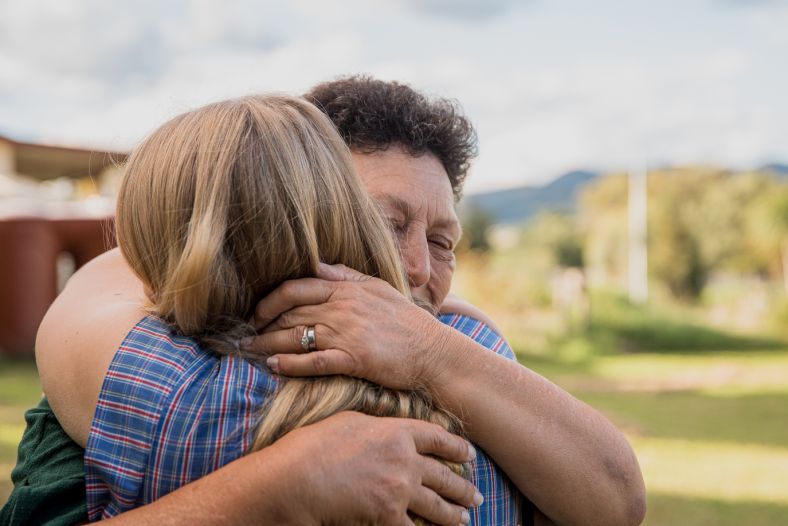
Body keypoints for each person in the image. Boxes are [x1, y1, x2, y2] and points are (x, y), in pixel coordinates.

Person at [14, 77, 646, 526]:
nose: (418, 268)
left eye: (443, 241)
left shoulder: (151, 392)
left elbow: (618, 499)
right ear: (290, 207)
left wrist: (431, 349)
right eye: (385, 224)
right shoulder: (154, 364)